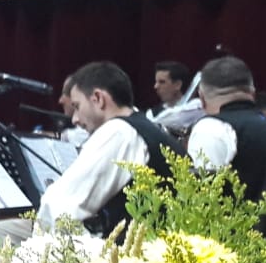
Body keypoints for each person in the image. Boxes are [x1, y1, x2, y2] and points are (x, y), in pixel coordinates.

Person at [23, 61, 182, 241]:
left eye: (77, 106)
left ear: (98, 98)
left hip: (137, 253)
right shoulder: (143, 127)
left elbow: (57, 208)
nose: (74, 119)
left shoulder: (119, 132)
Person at [187, 56, 266, 238]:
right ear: (252, 93)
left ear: (201, 98)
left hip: (241, 251)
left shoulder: (210, 128)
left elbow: (202, 208)